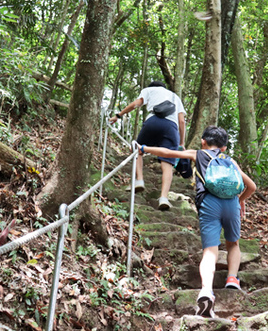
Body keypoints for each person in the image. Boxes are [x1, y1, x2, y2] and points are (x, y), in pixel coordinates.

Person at [139, 126, 256, 318]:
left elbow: (168, 152)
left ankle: (206, 291)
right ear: (224, 147)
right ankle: (233, 278)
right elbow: (252, 186)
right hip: (232, 204)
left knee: (210, 250)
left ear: (203, 141)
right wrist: (240, 201)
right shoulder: (230, 161)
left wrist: (144, 149)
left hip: (209, 202)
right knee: (233, 243)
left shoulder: (198, 154)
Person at [109, 81, 186, 211]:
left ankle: (139, 180)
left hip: (153, 122)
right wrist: (181, 143)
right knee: (167, 164)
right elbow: (182, 121)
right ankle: (163, 198)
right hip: (171, 128)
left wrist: (118, 116)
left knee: (137, 149)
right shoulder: (175, 97)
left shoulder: (149, 90)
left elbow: (135, 104)